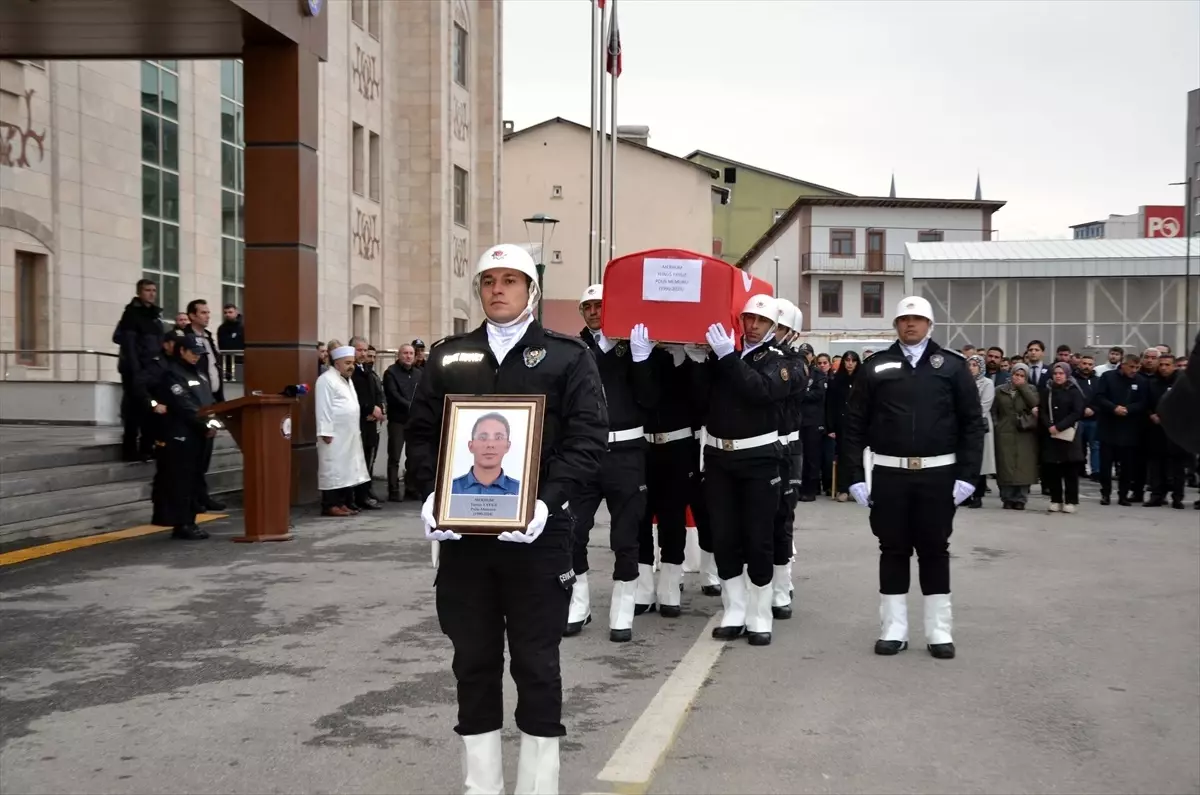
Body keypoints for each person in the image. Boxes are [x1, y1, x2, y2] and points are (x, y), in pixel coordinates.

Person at [407, 243, 607, 795]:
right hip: (465, 540)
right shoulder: (449, 357)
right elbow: (423, 435)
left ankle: (540, 786)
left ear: (530, 291)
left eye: (510, 280)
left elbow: (587, 442)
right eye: (488, 280)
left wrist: (549, 501)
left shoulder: (568, 357)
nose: (498, 289)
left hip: (539, 537)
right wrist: (430, 496)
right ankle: (482, 784)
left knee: (536, 662)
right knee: (471, 660)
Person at [841, 296, 983, 660]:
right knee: (892, 548)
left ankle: (939, 631)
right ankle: (894, 628)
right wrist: (855, 475)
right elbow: (854, 424)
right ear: (895, 325)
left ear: (930, 325)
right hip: (889, 473)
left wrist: (968, 475)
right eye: (904, 319)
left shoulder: (951, 367)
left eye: (917, 319)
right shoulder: (875, 366)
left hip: (938, 474)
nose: (910, 325)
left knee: (935, 549)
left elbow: (971, 423)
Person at [689, 294, 791, 646]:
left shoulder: (780, 361)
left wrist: (727, 358)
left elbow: (760, 391)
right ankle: (734, 609)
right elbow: (700, 402)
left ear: (772, 327)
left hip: (760, 460)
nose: (752, 326)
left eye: (760, 321)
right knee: (724, 536)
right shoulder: (723, 357)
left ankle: (760, 613)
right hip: (719, 458)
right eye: (747, 318)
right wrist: (699, 362)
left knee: (758, 537)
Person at [569, 283, 658, 641]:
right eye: (587, 306)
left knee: (625, 535)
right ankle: (578, 604)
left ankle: (623, 609)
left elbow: (651, 399)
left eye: (599, 305)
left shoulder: (631, 346)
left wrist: (641, 360)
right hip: (586, 453)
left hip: (626, 453)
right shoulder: (574, 350)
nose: (593, 312)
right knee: (573, 530)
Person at [638, 338, 699, 619]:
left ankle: (670, 587)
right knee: (640, 519)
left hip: (679, 446)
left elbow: (702, 399)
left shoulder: (691, 358)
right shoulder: (642, 353)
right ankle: (643, 588)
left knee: (672, 519)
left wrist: (691, 358)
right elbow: (641, 395)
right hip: (644, 446)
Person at [151, 334, 219, 540]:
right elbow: (185, 404)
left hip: (200, 435)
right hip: (181, 435)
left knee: (195, 478)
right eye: (193, 352)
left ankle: (190, 519)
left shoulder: (200, 374)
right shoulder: (172, 374)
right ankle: (183, 523)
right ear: (182, 351)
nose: (197, 357)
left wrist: (212, 423)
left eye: (200, 353)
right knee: (181, 480)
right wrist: (203, 424)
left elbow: (208, 402)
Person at [315, 345, 371, 517]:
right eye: (347, 363)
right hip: (333, 434)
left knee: (345, 470)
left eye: (352, 362)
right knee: (333, 469)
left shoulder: (346, 379)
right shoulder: (326, 380)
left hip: (348, 434)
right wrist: (325, 431)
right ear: (337, 363)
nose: (351, 366)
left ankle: (343, 502)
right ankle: (330, 504)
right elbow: (323, 407)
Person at [114, 278, 165, 462]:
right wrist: (136, 372)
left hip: (153, 369)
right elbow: (129, 345)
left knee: (152, 409)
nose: (151, 293)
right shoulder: (131, 314)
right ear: (139, 292)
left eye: (154, 290)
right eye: (147, 290)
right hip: (136, 370)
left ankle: (146, 446)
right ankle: (130, 449)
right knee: (134, 409)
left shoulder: (155, 315)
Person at [1093, 354, 1148, 506]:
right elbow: (1099, 397)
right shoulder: (1107, 377)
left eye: (1137, 367)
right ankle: (1105, 493)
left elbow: (1143, 402)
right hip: (1109, 427)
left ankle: (1123, 495)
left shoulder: (1141, 381)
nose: (1134, 370)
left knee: (1127, 466)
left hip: (1129, 429)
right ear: (1123, 365)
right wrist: (1113, 408)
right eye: (1131, 367)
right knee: (1106, 465)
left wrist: (1128, 409)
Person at [992, 363, 1041, 510]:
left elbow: (1036, 405)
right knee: (1005, 465)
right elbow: (994, 411)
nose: (1018, 378)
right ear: (1011, 374)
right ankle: (1007, 497)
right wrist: (997, 425)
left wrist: (1023, 388)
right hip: (1004, 431)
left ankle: (1020, 498)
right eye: (1016, 375)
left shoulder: (1031, 389)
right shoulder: (1000, 390)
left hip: (1024, 432)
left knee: (1023, 466)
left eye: (1022, 376)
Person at [1038, 361, 1085, 513]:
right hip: (1051, 434)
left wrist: (1059, 426)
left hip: (1068, 435)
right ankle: (1055, 499)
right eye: (1055, 373)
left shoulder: (1074, 391)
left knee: (1070, 469)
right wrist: (1049, 426)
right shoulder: (1047, 391)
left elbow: (1077, 412)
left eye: (1061, 373)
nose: (1058, 376)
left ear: (1067, 374)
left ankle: (1071, 500)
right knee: (1053, 469)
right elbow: (1042, 410)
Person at [383, 343, 421, 501]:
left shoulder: (420, 373)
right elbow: (393, 395)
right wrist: (412, 406)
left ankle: (411, 488)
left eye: (411, 353)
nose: (408, 356)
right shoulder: (390, 372)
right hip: (397, 420)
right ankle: (393, 490)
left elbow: (423, 393)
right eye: (405, 353)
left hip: (414, 420)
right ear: (399, 355)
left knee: (413, 456)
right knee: (395, 456)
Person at [451, 412, 522, 496]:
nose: (490, 444)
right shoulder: (449, 490)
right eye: (482, 437)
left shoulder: (522, 492)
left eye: (498, 438)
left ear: (508, 446)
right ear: (470, 446)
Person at [824, 351, 861, 501]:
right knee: (844, 457)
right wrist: (830, 427)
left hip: (859, 426)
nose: (850, 363)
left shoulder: (863, 381)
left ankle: (859, 488)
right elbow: (830, 406)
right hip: (842, 425)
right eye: (847, 360)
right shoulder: (836, 381)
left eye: (853, 360)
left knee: (859, 458)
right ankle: (843, 489)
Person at [965, 355, 996, 508]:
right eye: (969, 364)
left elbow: (985, 405)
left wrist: (970, 416)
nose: (971, 367)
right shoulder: (963, 383)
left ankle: (978, 495)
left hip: (979, 424)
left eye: (975, 365)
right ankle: (964, 495)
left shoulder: (987, 383)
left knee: (981, 462)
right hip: (964, 424)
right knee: (966, 461)